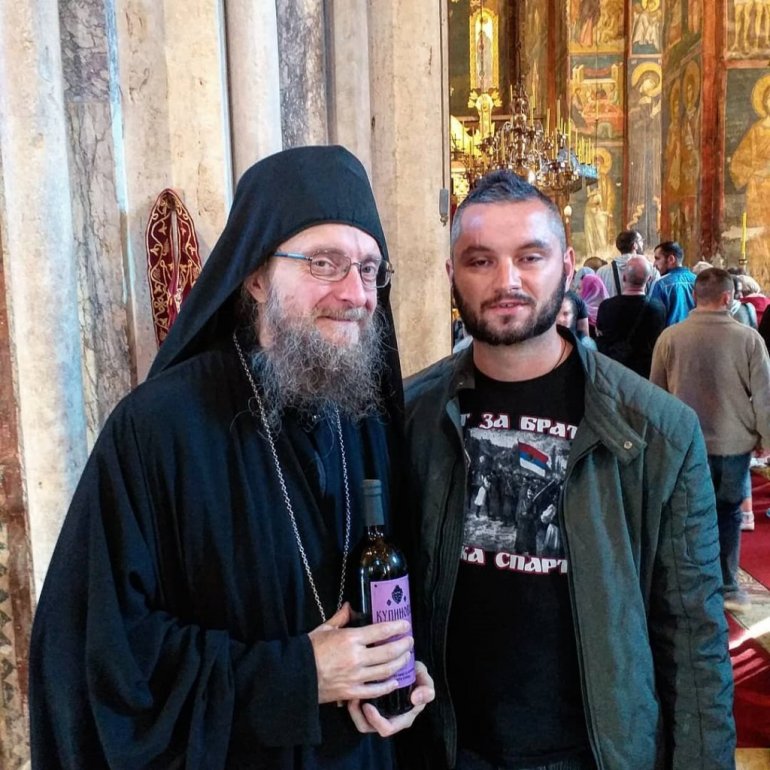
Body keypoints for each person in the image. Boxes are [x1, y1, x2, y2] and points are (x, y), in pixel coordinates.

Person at [29, 146, 434, 769]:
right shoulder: (157, 429)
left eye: (369, 268)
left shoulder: (366, 418)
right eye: (324, 263)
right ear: (256, 277)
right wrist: (295, 675)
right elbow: (97, 655)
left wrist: (400, 669)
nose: (356, 292)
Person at [402, 170, 735, 770]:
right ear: (452, 274)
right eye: (481, 260)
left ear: (567, 266)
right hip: (449, 749)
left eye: (529, 257)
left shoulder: (656, 430)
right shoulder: (410, 417)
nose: (507, 280)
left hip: (596, 753)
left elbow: (692, 634)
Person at [651, 267, 770, 613]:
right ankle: (728, 585)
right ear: (728, 298)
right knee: (729, 513)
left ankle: (689, 584)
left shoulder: (670, 338)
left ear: (694, 297)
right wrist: (766, 439)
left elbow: (655, 396)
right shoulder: (749, 339)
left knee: (688, 514)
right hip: (734, 443)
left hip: (685, 445)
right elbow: (764, 398)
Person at [595, 255, 666, 377]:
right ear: (649, 279)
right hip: (645, 373)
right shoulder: (658, 308)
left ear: (624, 277)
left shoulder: (606, 306)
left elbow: (600, 336)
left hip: (614, 371)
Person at [596, 229, 654, 297]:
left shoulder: (602, 271)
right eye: (641, 241)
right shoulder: (650, 268)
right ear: (635, 245)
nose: (642, 244)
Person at [649, 240, 696, 326]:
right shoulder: (697, 280)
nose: (654, 264)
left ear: (671, 259)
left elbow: (654, 319)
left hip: (669, 333)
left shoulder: (661, 284)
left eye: (657, 259)